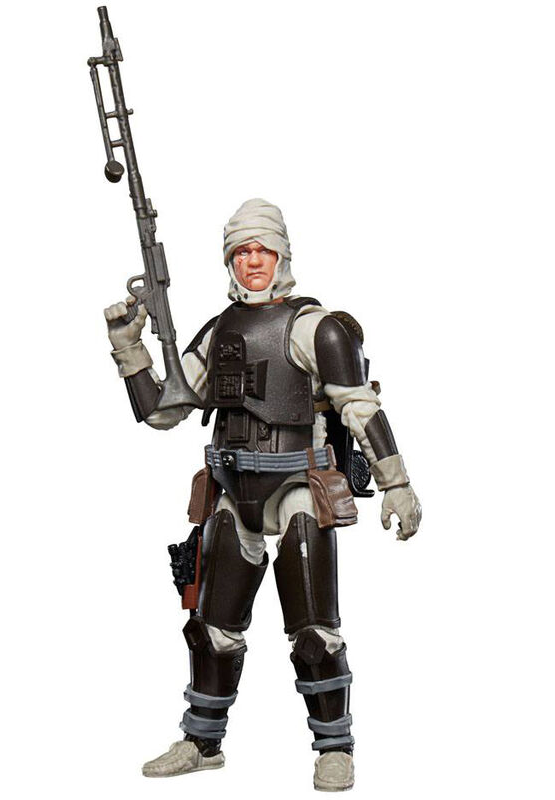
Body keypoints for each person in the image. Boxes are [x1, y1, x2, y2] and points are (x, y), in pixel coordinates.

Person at [104, 198, 421, 792]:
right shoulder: (220, 331)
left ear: (282, 255)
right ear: (230, 261)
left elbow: (360, 406)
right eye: (241, 252)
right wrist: (128, 346)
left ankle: (334, 746)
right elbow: (163, 411)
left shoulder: (316, 328)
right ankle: (202, 741)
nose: (252, 261)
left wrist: (396, 483)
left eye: (262, 249)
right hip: (232, 493)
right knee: (210, 627)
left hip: (299, 488)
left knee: (314, 630)